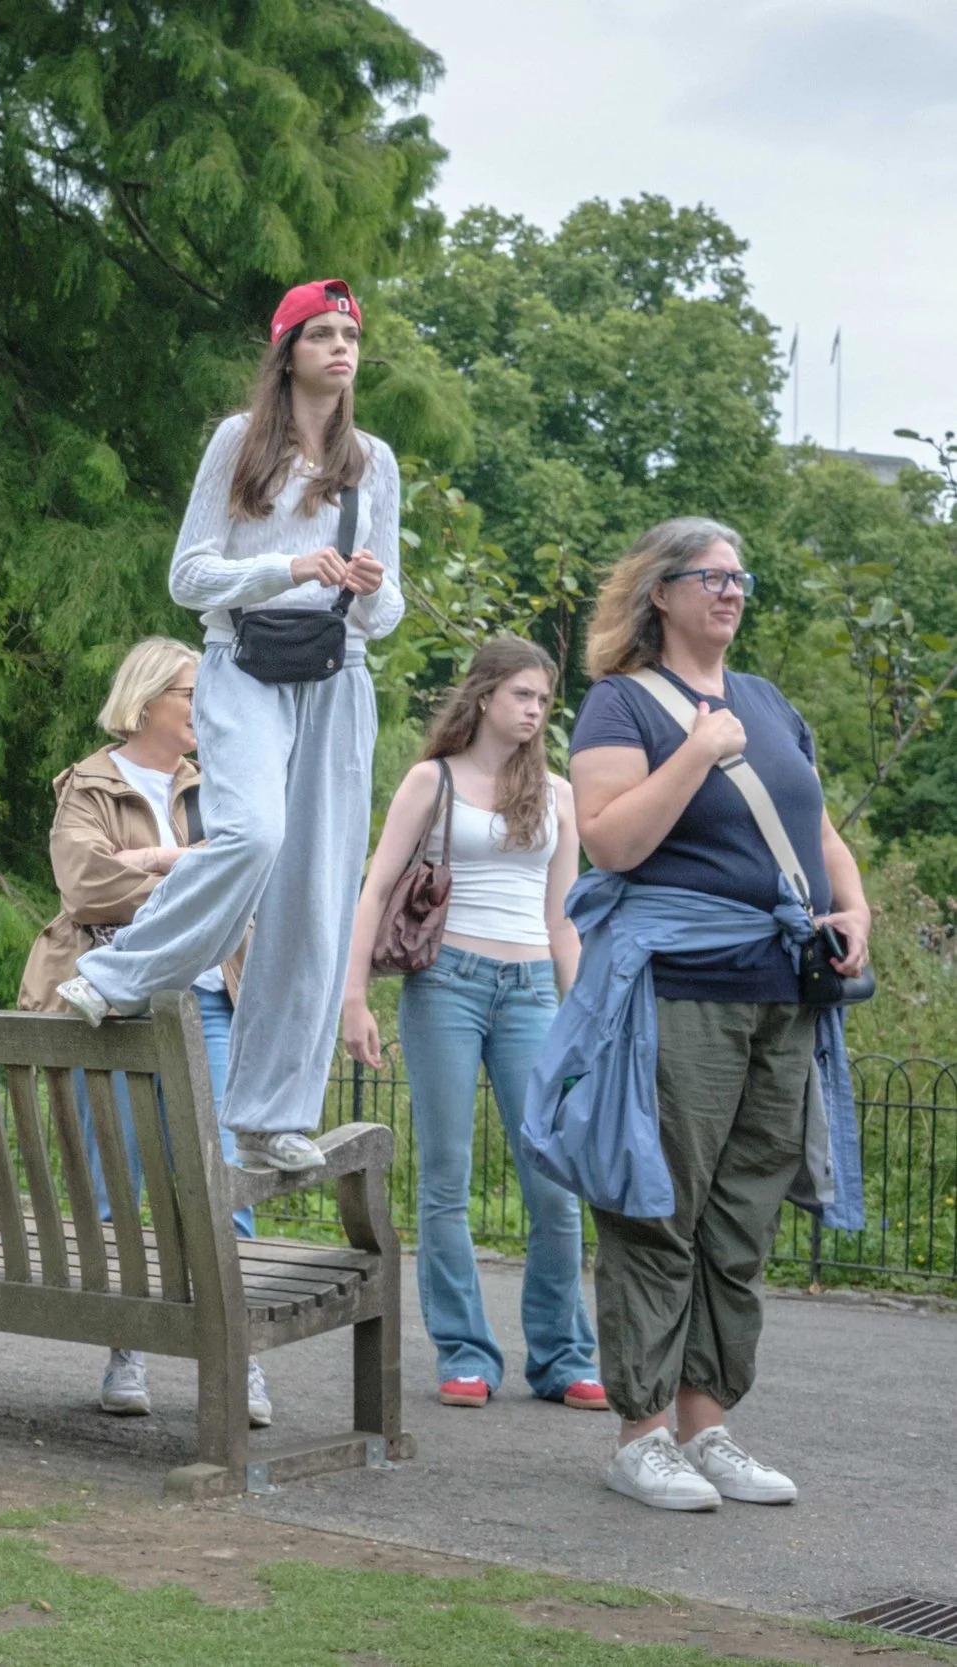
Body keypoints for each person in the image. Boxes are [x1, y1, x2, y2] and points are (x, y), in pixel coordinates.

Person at [551, 518, 867, 1512]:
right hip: (679, 990)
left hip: (781, 993)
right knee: (658, 1206)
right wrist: (694, 750)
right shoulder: (620, 704)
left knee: (740, 1220)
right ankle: (640, 1434)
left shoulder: (767, 702)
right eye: (710, 576)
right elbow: (610, 843)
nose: (731, 591)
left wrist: (854, 907)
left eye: (739, 577)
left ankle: (706, 1424)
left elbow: (816, 831)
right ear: (660, 592)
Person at [56, 279, 401, 1178]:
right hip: (244, 661)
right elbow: (188, 576)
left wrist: (370, 589)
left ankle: (268, 1116)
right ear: (287, 352)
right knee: (251, 834)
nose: (341, 347)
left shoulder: (374, 460)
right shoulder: (239, 442)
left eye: (349, 335)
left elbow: (389, 608)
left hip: (337, 676)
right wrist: (288, 568)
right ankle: (117, 975)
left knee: (316, 896)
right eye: (321, 334)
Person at [339, 639, 604, 1413]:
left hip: (531, 990)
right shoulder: (434, 780)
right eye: (522, 694)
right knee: (446, 1177)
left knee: (554, 1180)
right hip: (445, 984)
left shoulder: (557, 794)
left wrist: (584, 1017)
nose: (535, 710)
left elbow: (564, 921)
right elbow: (375, 889)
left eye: (544, 699)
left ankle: (562, 1355)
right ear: (484, 694)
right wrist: (353, 998)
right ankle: (464, 1352)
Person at [17, 638, 267, 1426]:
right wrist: (194, 867)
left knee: (224, 1182)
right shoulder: (88, 784)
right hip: (112, 1006)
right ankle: (127, 1350)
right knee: (116, 1187)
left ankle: (239, 1359)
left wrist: (157, 859)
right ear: (148, 697)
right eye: (193, 692)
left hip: (210, 1002)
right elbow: (85, 885)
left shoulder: (222, 782)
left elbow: (254, 871)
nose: (206, 706)